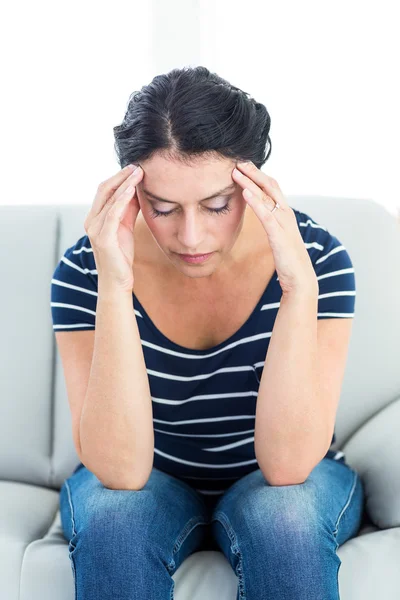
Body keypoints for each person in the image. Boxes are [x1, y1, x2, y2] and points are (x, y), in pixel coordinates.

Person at [51, 66, 365, 599]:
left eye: (217, 205)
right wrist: (115, 284)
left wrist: (297, 289)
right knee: (116, 522)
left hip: (281, 475)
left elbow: (288, 468)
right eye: (163, 208)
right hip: (150, 477)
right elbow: (122, 472)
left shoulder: (316, 259)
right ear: (132, 193)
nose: (190, 235)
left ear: (252, 183)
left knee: (283, 518)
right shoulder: (88, 268)